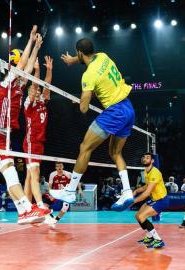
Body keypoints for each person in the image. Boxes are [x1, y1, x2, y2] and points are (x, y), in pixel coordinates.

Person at [50, 38, 135, 211]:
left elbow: (83, 108)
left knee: (85, 148)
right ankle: (127, 191)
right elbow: (84, 58)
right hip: (128, 108)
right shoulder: (103, 56)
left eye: (77, 54)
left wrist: (82, 100)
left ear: (80, 52)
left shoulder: (88, 75)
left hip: (114, 112)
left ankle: (70, 191)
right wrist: (71, 60)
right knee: (115, 152)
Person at [0, 26, 48, 224]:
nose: (22, 69)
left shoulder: (19, 86)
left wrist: (37, 47)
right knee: (11, 172)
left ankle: (23, 212)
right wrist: (29, 42)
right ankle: (27, 209)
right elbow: (22, 66)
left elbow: (27, 70)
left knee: (11, 176)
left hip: (4, 137)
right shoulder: (8, 83)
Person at [23, 56, 52, 212]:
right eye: (35, 90)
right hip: (31, 142)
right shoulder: (29, 103)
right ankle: (39, 205)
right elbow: (35, 84)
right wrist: (37, 69)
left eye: (39, 91)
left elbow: (46, 85)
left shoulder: (42, 101)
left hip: (40, 142)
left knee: (29, 175)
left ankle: (27, 207)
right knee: (35, 173)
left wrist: (49, 69)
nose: (38, 91)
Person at [133, 153, 169, 249]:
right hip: (154, 199)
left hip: (162, 200)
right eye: (144, 157)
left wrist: (133, 201)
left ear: (152, 161)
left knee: (142, 216)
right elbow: (146, 186)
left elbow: (146, 193)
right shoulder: (145, 171)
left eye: (148, 157)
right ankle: (149, 237)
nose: (145, 159)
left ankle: (158, 240)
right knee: (138, 216)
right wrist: (136, 190)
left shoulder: (155, 172)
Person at [48, 162, 82, 227]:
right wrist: (51, 194)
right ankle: (52, 217)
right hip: (57, 193)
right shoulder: (52, 174)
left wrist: (80, 189)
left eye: (60, 166)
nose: (59, 167)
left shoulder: (68, 174)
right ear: (55, 168)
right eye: (57, 166)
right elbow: (49, 185)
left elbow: (77, 180)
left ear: (63, 166)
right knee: (45, 206)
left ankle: (56, 220)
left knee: (65, 207)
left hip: (65, 194)